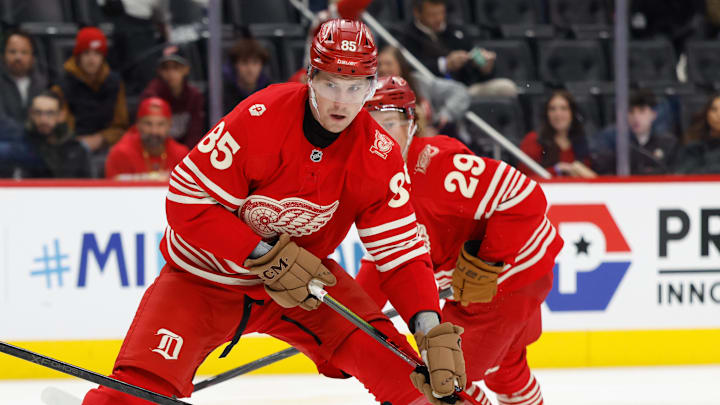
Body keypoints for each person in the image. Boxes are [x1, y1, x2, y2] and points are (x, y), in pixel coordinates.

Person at [81, 19, 467, 405]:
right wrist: (264, 254)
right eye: (331, 83)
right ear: (310, 77)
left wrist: (429, 327)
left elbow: (401, 253)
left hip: (305, 289)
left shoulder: (378, 154)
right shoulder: (261, 116)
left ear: (370, 88)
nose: (342, 102)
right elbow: (186, 201)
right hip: (203, 279)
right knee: (133, 394)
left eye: (355, 88)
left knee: (411, 380)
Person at [359, 75, 563, 405]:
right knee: (506, 371)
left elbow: (526, 196)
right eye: (368, 126)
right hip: (502, 284)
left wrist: (486, 262)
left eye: (389, 123)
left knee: (442, 375)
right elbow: (383, 258)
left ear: (412, 123)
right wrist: (347, 316)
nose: (379, 136)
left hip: (508, 280)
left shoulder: (435, 166)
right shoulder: (375, 185)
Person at [403, 0, 517, 98]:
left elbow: (473, 62)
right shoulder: (408, 36)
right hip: (434, 94)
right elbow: (411, 70)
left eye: (441, 13)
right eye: (432, 15)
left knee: (506, 87)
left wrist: (485, 67)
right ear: (417, 13)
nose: (438, 18)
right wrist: (445, 64)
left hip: (466, 89)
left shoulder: (456, 31)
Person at [51, 27, 129, 157]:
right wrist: (80, 143)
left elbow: (121, 125)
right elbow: (61, 129)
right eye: (86, 53)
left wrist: (101, 138)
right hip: (74, 148)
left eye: (97, 54)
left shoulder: (114, 83)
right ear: (78, 56)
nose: (91, 60)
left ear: (103, 57)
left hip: (108, 144)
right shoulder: (61, 86)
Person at [377, 45, 470, 138]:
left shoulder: (418, 82)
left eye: (388, 64)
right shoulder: (373, 93)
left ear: (401, 65)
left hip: (436, 139)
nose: (383, 69)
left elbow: (459, 90)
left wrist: (444, 117)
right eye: (379, 64)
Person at [592, 89, 678, 175]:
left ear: (653, 114)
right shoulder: (613, 143)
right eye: (631, 111)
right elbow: (603, 172)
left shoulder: (667, 143)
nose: (636, 118)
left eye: (642, 111)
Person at [105, 97, 189, 180]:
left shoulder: (182, 155)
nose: (154, 131)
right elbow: (112, 189)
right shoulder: (120, 153)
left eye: (160, 124)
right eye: (148, 124)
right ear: (138, 124)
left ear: (170, 125)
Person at [519, 90, 597, 178]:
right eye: (552, 109)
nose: (558, 114)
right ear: (547, 114)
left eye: (564, 108)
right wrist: (558, 169)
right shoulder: (533, 139)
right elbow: (524, 177)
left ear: (573, 113)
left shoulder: (582, 142)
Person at [13, 91, 91, 178]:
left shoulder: (76, 150)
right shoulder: (21, 147)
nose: (43, 119)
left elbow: (90, 187)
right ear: (31, 114)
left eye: (50, 113)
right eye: (38, 112)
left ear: (61, 115)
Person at [140, 46, 205, 149]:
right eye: (166, 68)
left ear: (186, 69)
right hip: (158, 150)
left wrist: (187, 156)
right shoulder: (151, 95)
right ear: (159, 71)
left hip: (185, 152)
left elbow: (195, 132)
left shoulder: (194, 96)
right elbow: (146, 132)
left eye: (176, 67)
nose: (171, 73)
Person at [0, 29, 48, 126]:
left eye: (24, 52)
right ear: (3, 55)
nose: (18, 57)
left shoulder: (43, 83)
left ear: (32, 57)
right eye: (12, 52)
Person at [222, 38, 272, 113]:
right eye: (244, 63)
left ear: (262, 65)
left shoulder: (271, 92)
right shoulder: (221, 94)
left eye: (255, 63)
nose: (250, 69)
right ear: (235, 65)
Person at [675, 94, 720, 174]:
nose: (718, 115)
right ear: (707, 113)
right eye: (714, 109)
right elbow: (683, 173)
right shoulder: (693, 145)